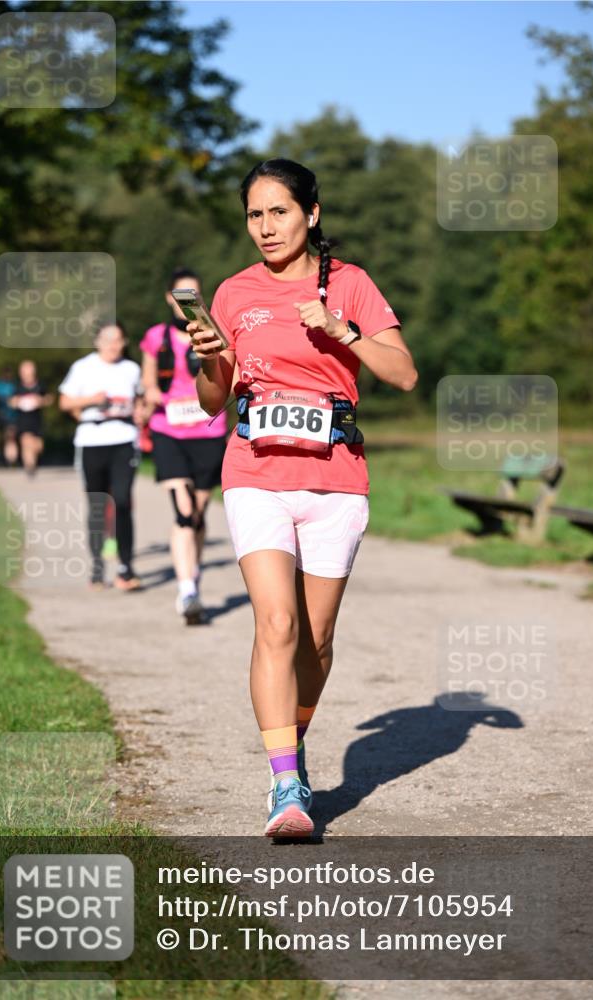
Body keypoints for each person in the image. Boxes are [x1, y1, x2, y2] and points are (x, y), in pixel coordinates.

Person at [191, 158, 418, 837]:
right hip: (255, 472)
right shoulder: (234, 292)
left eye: (279, 211)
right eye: (254, 215)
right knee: (276, 624)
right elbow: (211, 402)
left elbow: (404, 374)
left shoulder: (350, 284)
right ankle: (285, 783)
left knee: (315, 642)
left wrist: (342, 331)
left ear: (311, 214)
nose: (265, 227)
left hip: (335, 479)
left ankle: (292, 742)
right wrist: (209, 357)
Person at [140, 266, 228, 624]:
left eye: (194, 294)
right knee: (182, 509)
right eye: (181, 295)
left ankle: (194, 577)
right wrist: (151, 395)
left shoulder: (213, 333)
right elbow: (148, 381)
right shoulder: (156, 338)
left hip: (208, 432)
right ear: (169, 298)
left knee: (198, 514)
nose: (187, 301)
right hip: (169, 432)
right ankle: (186, 589)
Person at [59, 323, 144, 591]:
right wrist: (91, 400)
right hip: (92, 440)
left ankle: (126, 568)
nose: (113, 345)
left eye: (118, 340)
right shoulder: (83, 367)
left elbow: (140, 400)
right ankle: (97, 567)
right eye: (108, 339)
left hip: (124, 440)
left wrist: (141, 412)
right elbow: (64, 402)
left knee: (122, 501)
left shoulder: (131, 369)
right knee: (97, 504)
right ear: (97, 341)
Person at [9, 360, 53, 476]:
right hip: (23, 419)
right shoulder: (17, 387)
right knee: (26, 442)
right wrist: (17, 402)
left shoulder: (40, 385)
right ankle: (29, 465)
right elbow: (11, 401)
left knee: (38, 446)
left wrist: (40, 401)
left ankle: (33, 460)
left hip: (37, 419)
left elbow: (49, 399)